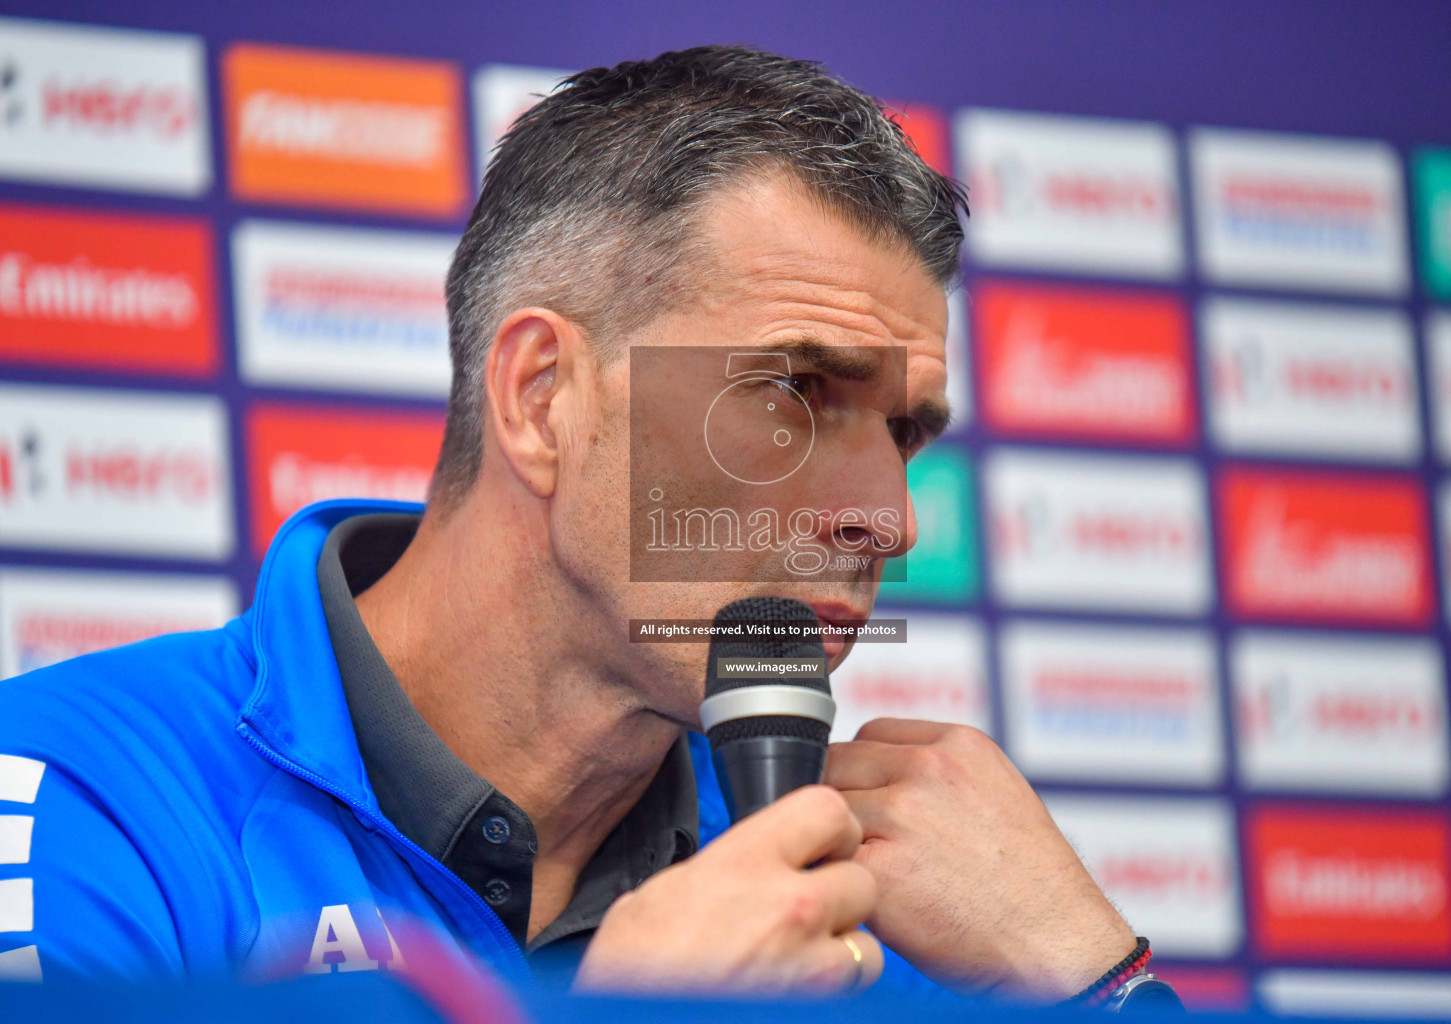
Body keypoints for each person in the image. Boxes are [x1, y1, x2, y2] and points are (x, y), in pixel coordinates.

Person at [0, 45, 1164, 1007]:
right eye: (794, 392)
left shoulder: (881, 911)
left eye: (903, 434)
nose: (886, 518)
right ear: (542, 400)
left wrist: (1096, 982)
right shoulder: (81, 798)